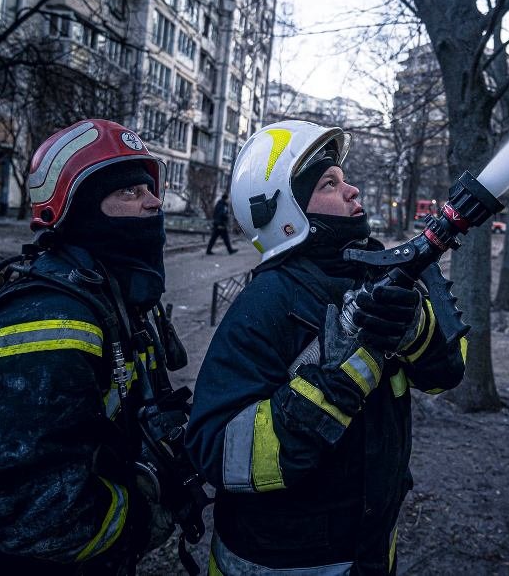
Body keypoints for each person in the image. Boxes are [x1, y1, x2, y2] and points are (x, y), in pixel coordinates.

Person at [0, 120, 177, 575]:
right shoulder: (49, 321)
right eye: (129, 192)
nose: (154, 201)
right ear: (82, 212)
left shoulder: (108, 296)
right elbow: (31, 515)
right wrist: (141, 517)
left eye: (149, 186)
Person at [185, 120, 467, 575]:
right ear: (289, 214)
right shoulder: (267, 303)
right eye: (329, 184)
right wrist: (330, 387)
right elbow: (218, 455)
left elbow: (448, 374)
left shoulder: (376, 276)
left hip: (368, 550)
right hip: (281, 562)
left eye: (343, 178)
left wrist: (415, 328)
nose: (352, 189)